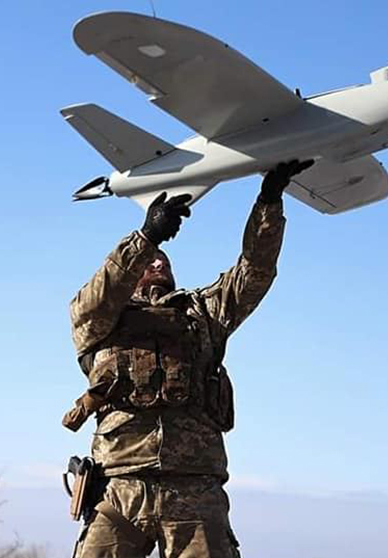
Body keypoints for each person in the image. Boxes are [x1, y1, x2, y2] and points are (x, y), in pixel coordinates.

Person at [63, 160, 313, 558]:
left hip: (195, 492)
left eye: (164, 259)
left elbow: (255, 272)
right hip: (120, 487)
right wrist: (146, 237)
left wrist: (269, 200)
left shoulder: (202, 314)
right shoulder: (100, 321)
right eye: (150, 260)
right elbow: (98, 295)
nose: (158, 261)